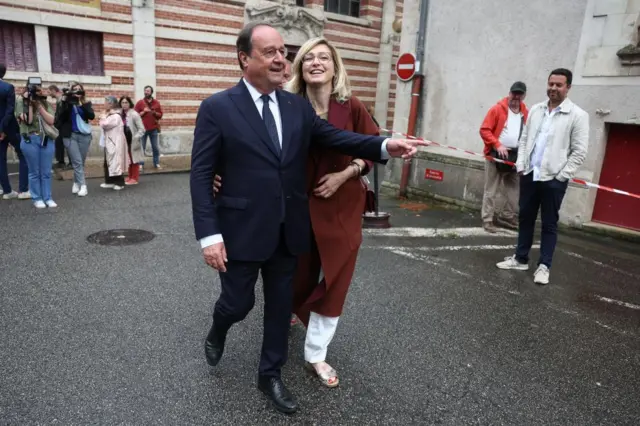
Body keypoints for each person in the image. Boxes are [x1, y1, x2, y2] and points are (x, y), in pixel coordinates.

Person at [190, 22, 424, 415]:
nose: (281, 58)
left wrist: (385, 145)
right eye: (270, 52)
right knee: (237, 303)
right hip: (241, 230)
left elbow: (339, 138)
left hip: (288, 230)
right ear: (244, 59)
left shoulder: (296, 106)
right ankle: (219, 326)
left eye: (283, 51)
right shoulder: (217, 108)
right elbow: (201, 174)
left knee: (280, 309)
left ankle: (270, 377)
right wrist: (208, 235)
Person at [496, 68, 589, 285]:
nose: (553, 88)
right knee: (525, 218)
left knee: (549, 223)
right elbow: (526, 138)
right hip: (530, 174)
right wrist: (521, 165)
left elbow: (579, 151)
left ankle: (544, 266)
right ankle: (520, 259)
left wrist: (562, 176)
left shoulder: (577, 115)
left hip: (553, 179)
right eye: (551, 84)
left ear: (568, 88)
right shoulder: (537, 110)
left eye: (559, 85)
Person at [479, 81, 529, 232]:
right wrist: (497, 145)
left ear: (524, 96)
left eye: (519, 94)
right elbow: (484, 130)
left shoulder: (525, 113)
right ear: (509, 93)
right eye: (514, 93)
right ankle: (487, 220)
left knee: (514, 190)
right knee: (491, 190)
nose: (516, 97)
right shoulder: (497, 109)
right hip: (495, 156)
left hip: (514, 157)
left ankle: (507, 216)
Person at [15, 84, 57, 208]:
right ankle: (37, 198)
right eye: (35, 91)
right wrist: (29, 103)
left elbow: (51, 121)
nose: (38, 93)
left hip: (46, 138)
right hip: (30, 139)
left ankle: (47, 197)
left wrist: (38, 105)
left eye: (39, 90)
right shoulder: (20, 102)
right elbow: (28, 121)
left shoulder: (44, 103)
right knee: (34, 171)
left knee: (46, 171)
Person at [55, 82, 95, 197]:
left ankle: (76, 182)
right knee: (77, 162)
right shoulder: (67, 103)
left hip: (84, 136)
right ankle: (83, 186)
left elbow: (91, 116)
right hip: (70, 135)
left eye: (79, 89)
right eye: (75, 89)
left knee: (80, 162)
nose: (77, 91)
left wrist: (82, 104)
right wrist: (65, 101)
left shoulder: (85, 103)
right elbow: (60, 118)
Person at [0, 64, 30, 200]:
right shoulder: (8, 87)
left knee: (0, 160)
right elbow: (9, 110)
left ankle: (7, 191)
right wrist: (3, 128)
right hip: (10, 128)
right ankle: (23, 190)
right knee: (23, 155)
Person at [99, 96, 129, 190]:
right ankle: (109, 181)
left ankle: (120, 183)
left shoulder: (115, 116)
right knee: (108, 162)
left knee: (116, 162)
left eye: (106, 102)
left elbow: (105, 124)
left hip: (115, 142)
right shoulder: (110, 114)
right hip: (109, 142)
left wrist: (102, 117)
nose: (104, 104)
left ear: (111, 104)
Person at [134, 85, 163, 169]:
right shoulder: (140, 103)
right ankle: (141, 164)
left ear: (151, 92)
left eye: (148, 91)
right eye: (145, 90)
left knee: (155, 147)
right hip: (142, 129)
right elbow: (134, 116)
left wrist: (155, 113)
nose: (146, 92)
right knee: (141, 147)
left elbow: (160, 115)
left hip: (153, 129)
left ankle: (156, 163)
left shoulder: (156, 103)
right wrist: (143, 111)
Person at [119, 96, 144, 185]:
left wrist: (136, 137)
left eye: (126, 102)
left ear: (130, 103)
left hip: (133, 140)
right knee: (128, 159)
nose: (124, 104)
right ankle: (130, 176)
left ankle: (135, 178)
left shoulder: (134, 114)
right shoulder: (120, 114)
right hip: (124, 140)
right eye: (123, 102)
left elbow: (142, 129)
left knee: (134, 160)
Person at [48, 84, 69, 170]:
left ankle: (63, 162)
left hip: (63, 126)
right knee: (59, 143)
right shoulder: (58, 100)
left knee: (63, 144)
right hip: (59, 126)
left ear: (53, 90)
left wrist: (57, 122)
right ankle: (60, 162)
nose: (49, 94)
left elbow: (62, 113)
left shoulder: (61, 99)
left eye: (49, 91)